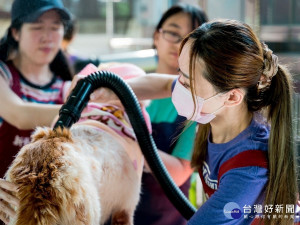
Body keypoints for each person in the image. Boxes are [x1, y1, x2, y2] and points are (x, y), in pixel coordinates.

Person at [90, 19, 298, 225]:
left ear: (232, 97)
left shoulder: (248, 170)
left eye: (187, 84)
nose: (178, 87)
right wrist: (108, 90)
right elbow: (161, 84)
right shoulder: (215, 108)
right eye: (180, 74)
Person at [133, 4, 208, 225]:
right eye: (173, 33)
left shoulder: (200, 104)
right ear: (157, 36)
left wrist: (129, 143)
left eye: (190, 39)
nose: (179, 44)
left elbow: (178, 173)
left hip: (168, 218)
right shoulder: (130, 85)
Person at [0, 0, 72, 222]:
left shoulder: (67, 88)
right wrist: (81, 108)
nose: (47, 36)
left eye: (55, 27)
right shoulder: (4, 77)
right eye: (37, 26)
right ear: (16, 32)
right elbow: (19, 115)